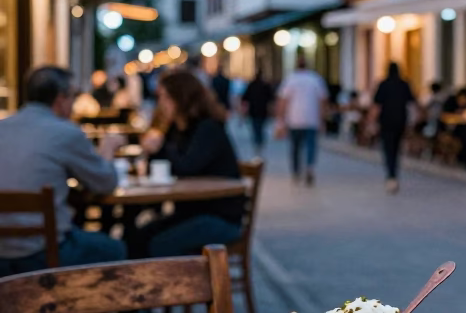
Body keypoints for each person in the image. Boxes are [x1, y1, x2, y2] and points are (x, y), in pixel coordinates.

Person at [0, 66, 126, 277]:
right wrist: (108, 148)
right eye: (72, 98)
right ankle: (81, 309)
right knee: (116, 250)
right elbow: (105, 182)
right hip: (41, 253)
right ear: (60, 100)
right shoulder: (66, 133)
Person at [129, 70, 244, 257]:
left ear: (180, 98)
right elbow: (160, 169)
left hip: (219, 217)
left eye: (165, 97)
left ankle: (177, 285)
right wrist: (153, 149)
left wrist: (160, 147)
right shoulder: (176, 128)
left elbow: (186, 167)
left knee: (159, 244)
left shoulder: (208, 128)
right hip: (192, 211)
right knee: (140, 236)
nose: (161, 104)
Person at [276, 51, 328, 184]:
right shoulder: (315, 79)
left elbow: (283, 101)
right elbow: (322, 101)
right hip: (312, 118)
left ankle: (296, 171)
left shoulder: (290, 79)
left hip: (294, 119)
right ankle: (309, 167)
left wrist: (280, 121)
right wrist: (322, 119)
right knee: (311, 146)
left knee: (295, 147)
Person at [371, 62, 415, 192]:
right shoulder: (404, 84)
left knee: (388, 149)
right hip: (401, 121)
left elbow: (376, 106)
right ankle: (393, 174)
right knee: (396, 148)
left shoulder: (383, 85)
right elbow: (411, 104)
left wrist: (372, 122)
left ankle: (391, 175)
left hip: (386, 122)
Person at [242, 68, 274, 150]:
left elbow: (245, 98)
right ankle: (259, 141)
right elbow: (271, 98)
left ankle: (258, 141)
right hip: (262, 110)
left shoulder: (252, 85)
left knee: (256, 127)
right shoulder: (265, 85)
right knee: (260, 127)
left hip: (254, 110)